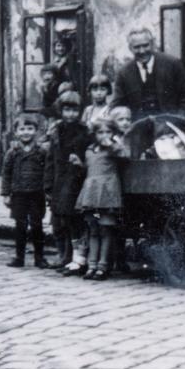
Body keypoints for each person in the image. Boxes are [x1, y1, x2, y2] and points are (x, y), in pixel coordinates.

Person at [44, 90, 92, 275]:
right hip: (59, 182)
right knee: (60, 221)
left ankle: (76, 258)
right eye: (66, 110)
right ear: (61, 110)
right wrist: (47, 185)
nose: (70, 114)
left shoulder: (84, 132)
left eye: (74, 110)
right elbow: (50, 160)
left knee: (74, 221)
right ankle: (64, 254)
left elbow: (89, 158)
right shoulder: (56, 132)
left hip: (75, 183)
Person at [75, 116, 126, 281]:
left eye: (108, 131)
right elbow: (88, 169)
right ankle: (91, 265)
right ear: (94, 134)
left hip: (106, 199)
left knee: (105, 228)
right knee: (94, 227)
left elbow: (125, 155)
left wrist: (112, 144)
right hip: (92, 200)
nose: (104, 135)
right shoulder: (89, 150)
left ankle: (103, 266)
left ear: (113, 133)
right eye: (100, 132)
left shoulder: (113, 149)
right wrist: (78, 164)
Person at [0, 116, 49, 268]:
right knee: (20, 225)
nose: (26, 132)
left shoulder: (41, 151)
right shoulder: (12, 152)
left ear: (36, 131)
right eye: (22, 129)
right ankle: (19, 257)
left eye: (30, 129)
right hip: (19, 194)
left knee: (37, 224)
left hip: (37, 193)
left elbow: (47, 171)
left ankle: (39, 258)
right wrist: (6, 194)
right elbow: (6, 174)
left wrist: (47, 191)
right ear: (15, 132)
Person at [113, 29, 185, 118]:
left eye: (145, 45)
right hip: (139, 127)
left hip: (169, 125)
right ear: (130, 48)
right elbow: (117, 103)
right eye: (137, 47)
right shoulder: (124, 73)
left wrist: (179, 119)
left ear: (152, 44)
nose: (142, 51)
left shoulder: (172, 64)